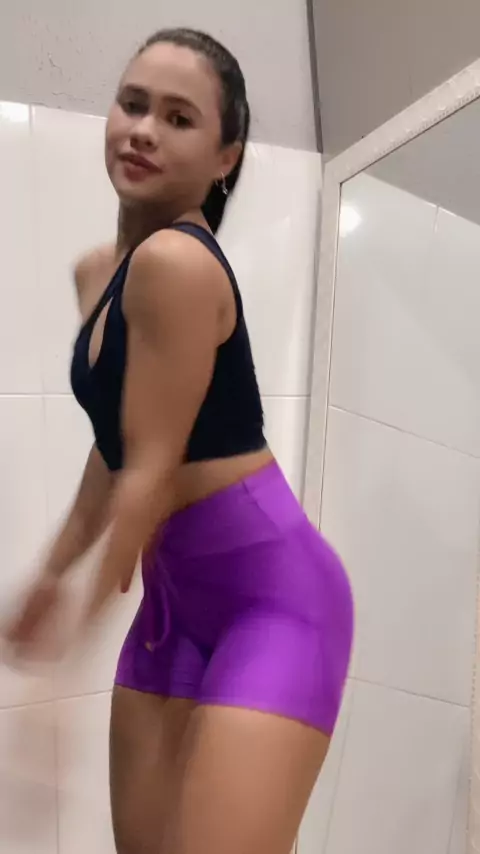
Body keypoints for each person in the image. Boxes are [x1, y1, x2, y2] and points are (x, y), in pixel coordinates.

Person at [4, 28, 353, 854]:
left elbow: (152, 472)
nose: (143, 131)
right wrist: (52, 571)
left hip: (276, 604)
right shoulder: (100, 273)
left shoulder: (178, 264)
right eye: (132, 105)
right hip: (173, 606)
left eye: (178, 117)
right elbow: (118, 446)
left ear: (226, 157)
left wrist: (69, 652)